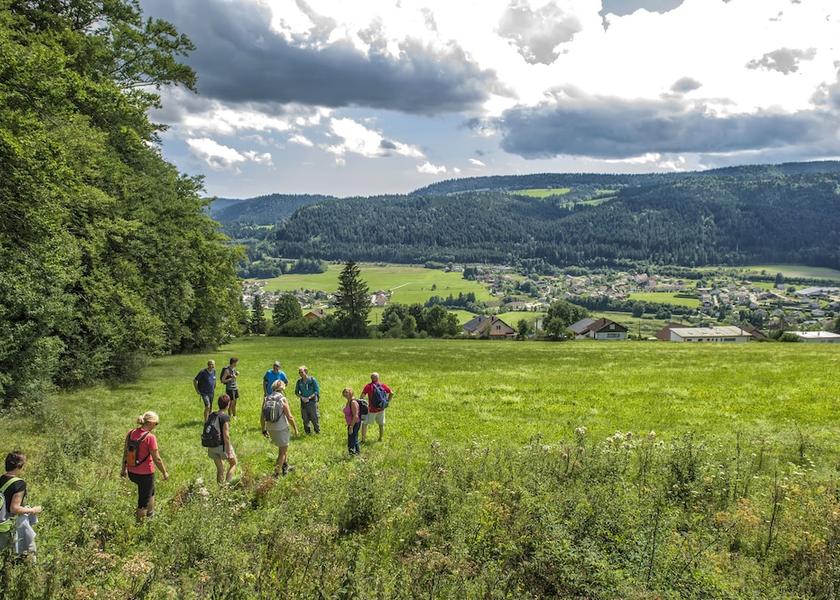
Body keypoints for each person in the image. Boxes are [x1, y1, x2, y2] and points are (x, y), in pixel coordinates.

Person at [121, 411, 169, 523]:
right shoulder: (150, 437)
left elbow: (125, 453)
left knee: (151, 491)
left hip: (132, 472)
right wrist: (164, 472)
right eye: (156, 424)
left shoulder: (131, 433)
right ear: (151, 423)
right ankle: (139, 527)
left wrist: (123, 470)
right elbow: (157, 459)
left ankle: (150, 515)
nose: (156, 426)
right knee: (142, 502)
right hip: (145, 475)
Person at [0, 451, 41, 560]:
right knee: (28, 549)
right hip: (14, 522)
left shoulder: (1, 479)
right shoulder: (19, 483)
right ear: (19, 466)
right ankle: (30, 570)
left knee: (5, 553)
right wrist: (33, 510)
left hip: (2, 522)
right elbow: (14, 508)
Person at [261, 380, 299, 477]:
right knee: (283, 452)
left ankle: (285, 467)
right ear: (282, 388)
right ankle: (276, 474)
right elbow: (289, 417)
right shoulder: (282, 399)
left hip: (270, 428)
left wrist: (263, 429)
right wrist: (295, 429)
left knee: (281, 448)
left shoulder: (267, 398)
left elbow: (262, 417)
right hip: (281, 428)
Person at [206, 394, 237, 485]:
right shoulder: (225, 417)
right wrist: (229, 451)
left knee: (220, 469)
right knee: (233, 464)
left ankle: (220, 490)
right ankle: (227, 487)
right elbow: (226, 435)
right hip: (221, 446)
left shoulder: (212, 415)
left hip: (211, 446)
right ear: (228, 405)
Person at [360, 372, 393, 443]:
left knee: (364, 423)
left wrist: (363, 404)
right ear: (378, 378)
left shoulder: (368, 386)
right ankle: (381, 438)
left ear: (371, 378)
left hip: (371, 409)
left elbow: (362, 396)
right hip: (381, 408)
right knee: (381, 424)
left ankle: (363, 440)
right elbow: (391, 393)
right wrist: (387, 401)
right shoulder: (383, 385)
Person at [294, 366, 320, 434]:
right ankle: (307, 432)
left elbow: (317, 391)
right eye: (299, 372)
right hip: (303, 402)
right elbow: (296, 392)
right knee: (305, 418)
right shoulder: (299, 382)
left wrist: (309, 397)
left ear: (306, 371)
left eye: (302, 372)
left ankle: (317, 431)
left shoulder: (312, 380)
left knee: (314, 417)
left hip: (312, 401)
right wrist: (301, 397)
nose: (300, 374)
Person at [342, 388, 361, 456]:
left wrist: (351, 426)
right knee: (352, 438)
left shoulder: (353, 402)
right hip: (351, 423)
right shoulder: (348, 401)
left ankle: (355, 453)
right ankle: (354, 453)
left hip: (354, 423)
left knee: (353, 439)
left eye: (347, 392)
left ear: (351, 393)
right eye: (344, 393)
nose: (345, 394)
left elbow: (355, 416)